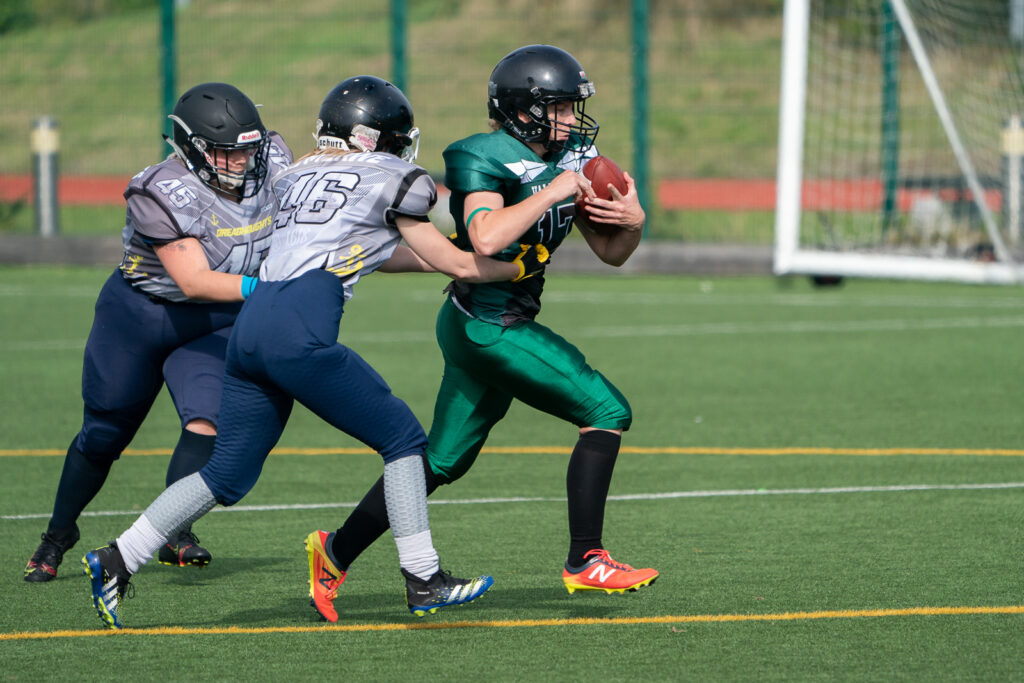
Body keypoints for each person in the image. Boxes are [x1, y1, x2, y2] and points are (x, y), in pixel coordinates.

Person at [81, 75, 548, 629]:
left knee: (225, 474)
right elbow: (456, 263)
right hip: (297, 330)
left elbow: (372, 250)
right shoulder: (394, 178)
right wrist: (520, 264)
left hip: (252, 327)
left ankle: (118, 557)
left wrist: (460, 259)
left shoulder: (297, 171)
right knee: (403, 441)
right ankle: (424, 578)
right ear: (378, 139)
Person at [307, 45, 658, 620]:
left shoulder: (574, 154)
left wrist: (634, 223)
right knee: (607, 409)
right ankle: (586, 558)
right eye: (561, 106)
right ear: (523, 109)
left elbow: (611, 252)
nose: (572, 119)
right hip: (489, 324)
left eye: (574, 106)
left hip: (488, 320)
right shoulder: (479, 155)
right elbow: (487, 237)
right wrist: (551, 190)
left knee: (442, 460)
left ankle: (335, 552)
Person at [23, 83, 293, 583]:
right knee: (104, 435)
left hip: (215, 318)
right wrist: (277, 285)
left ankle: (173, 530)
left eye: (246, 149)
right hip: (142, 316)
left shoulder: (272, 157)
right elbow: (193, 280)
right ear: (190, 147)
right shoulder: (159, 189)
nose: (240, 161)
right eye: (224, 151)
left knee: (208, 420)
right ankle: (58, 534)